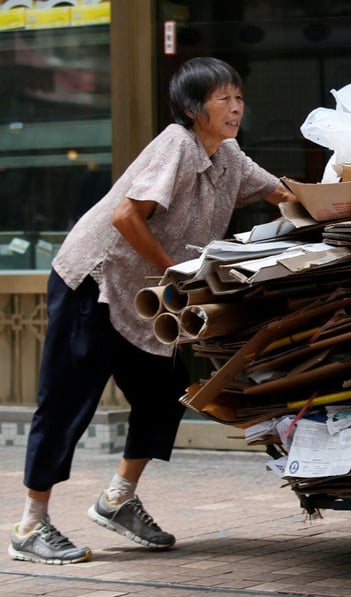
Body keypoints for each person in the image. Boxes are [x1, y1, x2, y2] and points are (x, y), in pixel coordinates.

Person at [7, 57, 298, 565]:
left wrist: (346, 199)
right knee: (68, 399)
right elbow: (125, 216)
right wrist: (174, 274)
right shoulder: (177, 144)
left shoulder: (228, 156)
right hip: (94, 281)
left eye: (239, 98)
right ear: (192, 108)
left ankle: (118, 498)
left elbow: (281, 194)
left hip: (146, 293)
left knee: (164, 396)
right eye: (223, 98)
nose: (235, 107)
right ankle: (31, 524)